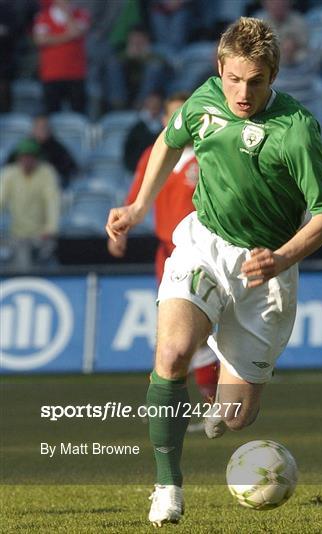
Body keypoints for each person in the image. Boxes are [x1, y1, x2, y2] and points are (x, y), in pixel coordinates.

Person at [105, 17, 322, 527]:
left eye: (255, 81)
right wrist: (140, 206)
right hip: (203, 245)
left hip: (266, 272)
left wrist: (282, 257)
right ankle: (167, 487)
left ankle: (222, 355)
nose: (242, 92)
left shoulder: (297, 129)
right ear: (220, 68)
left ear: (272, 75)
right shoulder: (204, 99)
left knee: (237, 418)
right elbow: (170, 140)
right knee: (170, 355)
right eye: (234, 78)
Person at [109, 91, 219, 404]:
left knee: (201, 323)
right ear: (164, 121)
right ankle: (176, 401)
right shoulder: (152, 155)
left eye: (184, 116)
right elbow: (135, 198)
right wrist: (120, 232)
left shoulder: (208, 153)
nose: (179, 123)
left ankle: (212, 397)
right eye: (173, 117)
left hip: (204, 251)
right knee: (172, 326)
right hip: (167, 253)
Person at [0, 139, 61, 271]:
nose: (26, 161)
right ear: (18, 158)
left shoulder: (46, 173)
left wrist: (50, 228)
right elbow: (1, 199)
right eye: (23, 157)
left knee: (45, 262)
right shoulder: (9, 174)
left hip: (41, 234)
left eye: (30, 156)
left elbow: (52, 201)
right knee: (21, 262)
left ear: (36, 158)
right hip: (17, 233)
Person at [33, 0, 90, 114]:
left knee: (78, 112)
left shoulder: (81, 14)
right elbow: (40, 40)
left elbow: (77, 32)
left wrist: (68, 14)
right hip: (51, 74)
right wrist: (68, 35)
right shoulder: (43, 16)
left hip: (75, 73)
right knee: (52, 112)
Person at [105, 25, 170, 111]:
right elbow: (111, 63)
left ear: (147, 40)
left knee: (155, 67)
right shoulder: (121, 51)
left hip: (148, 92)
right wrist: (128, 57)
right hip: (125, 90)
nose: (137, 43)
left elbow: (167, 65)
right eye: (134, 39)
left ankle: (142, 106)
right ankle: (118, 106)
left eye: (140, 40)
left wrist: (145, 57)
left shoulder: (156, 52)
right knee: (113, 65)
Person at [8, 114, 78, 188]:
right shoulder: (23, 146)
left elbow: (71, 169)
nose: (42, 131)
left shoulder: (58, 148)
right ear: (33, 129)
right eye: (39, 128)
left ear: (49, 130)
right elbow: (9, 166)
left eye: (45, 127)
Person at [123, 92, 163, 173]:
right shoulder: (136, 127)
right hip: (136, 170)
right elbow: (129, 151)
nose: (154, 107)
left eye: (156, 104)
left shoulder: (164, 127)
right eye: (151, 103)